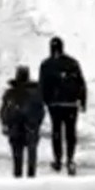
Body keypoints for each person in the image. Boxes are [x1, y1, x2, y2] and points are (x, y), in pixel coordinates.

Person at [38, 37, 87, 176]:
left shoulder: (46, 65)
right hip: (71, 104)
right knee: (70, 133)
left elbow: (42, 86)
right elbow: (81, 83)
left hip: (55, 104)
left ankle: (58, 160)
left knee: (57, 132)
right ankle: (70, 160)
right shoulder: (72, 63)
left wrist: (44, 102)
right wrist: (82, 101)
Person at [0, 65, 45, 178]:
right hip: (31, 127)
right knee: (31, 152)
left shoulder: (10, 93)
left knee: (17, 154)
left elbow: (4, 110)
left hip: (15, 127)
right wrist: (37, 123)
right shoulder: (35, 93)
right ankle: (31, 174)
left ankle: (18, 174)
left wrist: (6, 123)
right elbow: (41, 111)